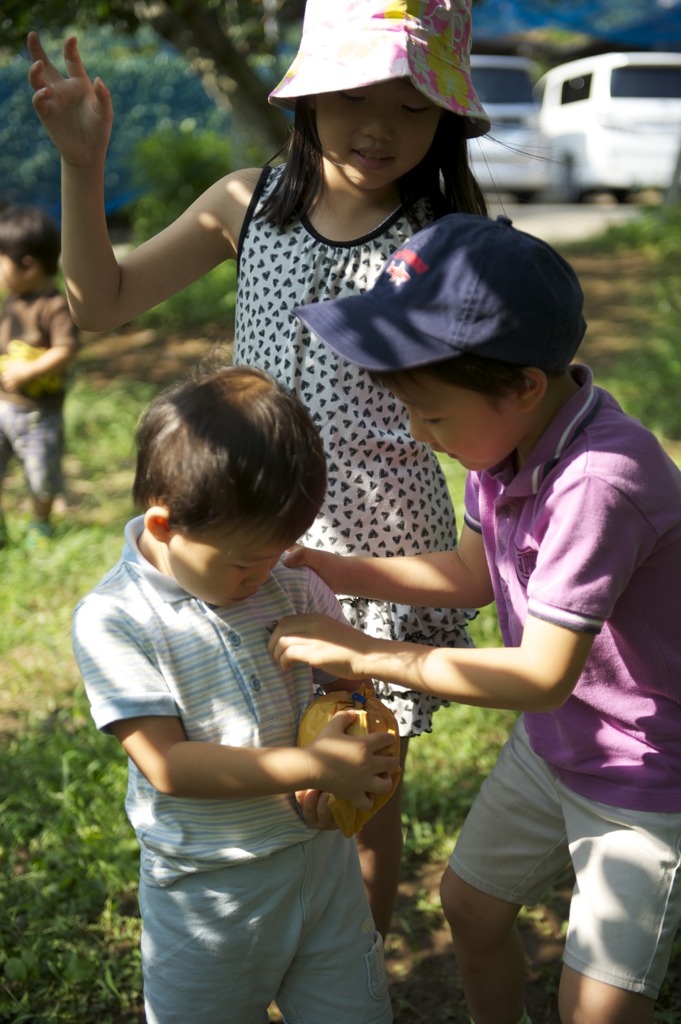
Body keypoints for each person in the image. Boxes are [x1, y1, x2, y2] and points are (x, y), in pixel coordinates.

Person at [27, 0, 492, 936]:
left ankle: (347, 970)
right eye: (355, 95)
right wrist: (83, 167)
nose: (380, 128)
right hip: (245, 534)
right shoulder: (246, 203)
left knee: (359, 791)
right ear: (307, 93)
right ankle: (249, 954)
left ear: (444, 116)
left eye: (411, 106)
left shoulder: (447, 232)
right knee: (243, 744)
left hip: (377, 546)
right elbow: (103, 304)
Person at [267, 213, 681, 1024]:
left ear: (524, 384)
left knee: (596, 1011)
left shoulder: (599, 481)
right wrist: (339, 569)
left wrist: (368, 652)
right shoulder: (503, 446)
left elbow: (538, 675)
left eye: (432, 416)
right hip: (558, 743)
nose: (420, 435)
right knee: (471, 906)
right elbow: (469, 576)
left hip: (642, 772)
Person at [72, 363, 398, 1024]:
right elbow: (167, 765)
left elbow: (349, 694)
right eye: (245, 561)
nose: (264, 573)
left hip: (321, 865)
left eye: (279, 551)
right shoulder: (116, 620)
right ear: (164, 528)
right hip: (209, 890)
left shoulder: (293, 584)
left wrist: (357, 716)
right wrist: (313, 765)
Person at [0, 204, 78, 546]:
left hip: (39, 414)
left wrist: (27, 371)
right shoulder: (11, 302)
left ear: (27, 265)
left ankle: (40, 525)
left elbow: (66, 349)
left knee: (41, 474)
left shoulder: (54, 305)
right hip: (3, 407)